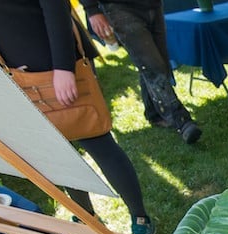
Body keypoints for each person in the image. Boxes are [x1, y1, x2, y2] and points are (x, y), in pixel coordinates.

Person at [0, 0, 157, 234]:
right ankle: (86, 217)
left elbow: (55, 8)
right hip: (18, 75)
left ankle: (140, 216)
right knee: (61, 153)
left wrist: (64, 68)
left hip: (59, 66)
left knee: (98, 142)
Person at [80, 0, 202, 144]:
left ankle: (154, 113)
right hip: (118, 7)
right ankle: (182, 121)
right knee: (153, 65)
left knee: (156, 62)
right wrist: (93, 10)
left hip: (152, 5)